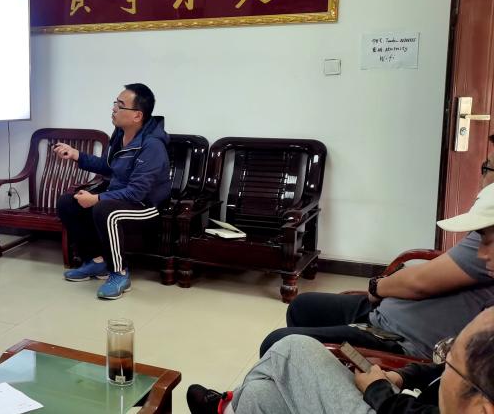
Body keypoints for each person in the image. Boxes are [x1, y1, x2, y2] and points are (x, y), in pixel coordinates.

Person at [259, 148, 494, 358]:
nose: (481, 176)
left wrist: (376, 287)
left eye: (487, 168)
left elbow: (419, 283)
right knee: (302, 306)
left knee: (278, 344)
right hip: (389, 313)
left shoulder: (487, 244)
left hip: (402, 339)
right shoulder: (486, 238)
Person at [186, 307, 494, 414]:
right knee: (260, 395)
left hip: (394, 407)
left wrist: (381, 394)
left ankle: (225, 405)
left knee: (291, 347)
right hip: (404, 399)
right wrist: (402, 377)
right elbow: (435, 371)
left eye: (451, 362)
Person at [52, 83, 170, 299]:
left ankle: (119, 273)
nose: (114, 108)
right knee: (67, 203)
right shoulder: (119, 135)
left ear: (137, 115)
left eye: (120, 105)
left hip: (147, 206)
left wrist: (97, 198)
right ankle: (96, 262)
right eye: (115, 103)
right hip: (119, 198)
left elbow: (136, 193)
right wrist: (76, 155)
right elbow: (108, 166)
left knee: (105, 210)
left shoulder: (152, 145)